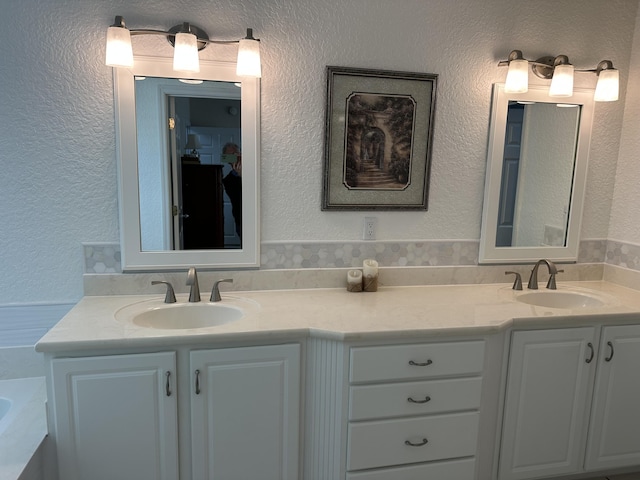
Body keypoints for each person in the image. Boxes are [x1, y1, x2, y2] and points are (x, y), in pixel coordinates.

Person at [221, 142, 242, 239]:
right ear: (226, 159)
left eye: (235, 154)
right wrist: (240, 176)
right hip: (240, 220)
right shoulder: (227, 180)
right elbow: (238, 198)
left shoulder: (253, 170)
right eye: (229, 156)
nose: (233, 157)